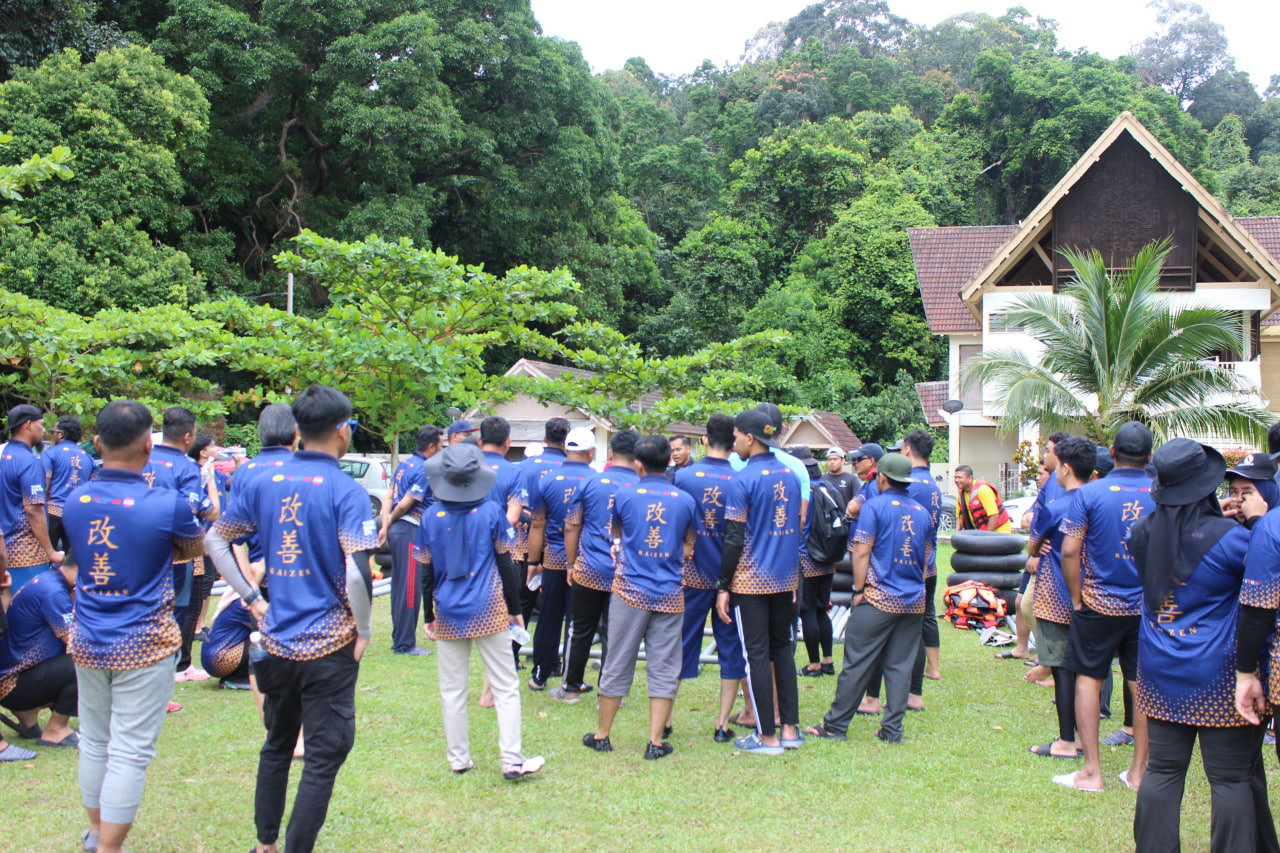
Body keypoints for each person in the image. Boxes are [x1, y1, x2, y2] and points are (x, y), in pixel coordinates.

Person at [204, 384, 377, 853]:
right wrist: (364, 630)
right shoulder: (347, 491)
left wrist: (249, 597)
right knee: (323, 755)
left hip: (276, 639)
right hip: (329, 645)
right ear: (343, 430)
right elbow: (357, 573)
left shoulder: (263, 481)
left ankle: (265, 844)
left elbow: (215, 540)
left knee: (278, 743)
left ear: (298, 430)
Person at [64, 400, 204, 853]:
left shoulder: (76, 501)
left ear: (97, 442)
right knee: (129, 751)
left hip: (88, 638)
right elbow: (192, 548)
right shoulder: (167, 504)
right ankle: (109, 847)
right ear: (149, 445)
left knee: (95, 741)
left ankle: (96, 832)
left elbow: (78, 562)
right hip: (144, 642)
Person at [1130, 440, 1277, 852]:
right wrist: (1257, 522)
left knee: (1162, 771)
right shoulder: (1233, 538)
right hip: (1220, 672)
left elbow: (1179, 548)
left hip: (1159, 666)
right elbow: (1262, 571)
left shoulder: (1141, 531)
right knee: (1230, 778)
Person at [416, 442, 544, 779]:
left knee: (452, 690)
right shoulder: (491, 513)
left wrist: (429, 616)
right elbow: (505, 564)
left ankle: (458, 759)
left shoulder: (429, 517)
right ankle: (511, 759)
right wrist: (515, 610)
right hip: (489, 608)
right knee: (506, 685)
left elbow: (425, 571)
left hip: (448, 611)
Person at [1053, 422, 1155, 793]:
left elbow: (1069, 551)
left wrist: (1076, 596)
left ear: (1112, 452)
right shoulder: (1161, 493)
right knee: (1141, 683)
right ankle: (1138, 773)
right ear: (1150, 456)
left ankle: (1092, 772)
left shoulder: (1090, 493)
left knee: (1089, 679)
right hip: (1147, 608)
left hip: (1098, 603)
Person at [804, 453, 933, 745]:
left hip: (878, 598)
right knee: (900, 665)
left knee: (857, 661)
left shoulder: (874, 507)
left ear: (882, 477)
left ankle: (835, 726)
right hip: (914, 601)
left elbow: (861, 551)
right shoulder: (922, 513)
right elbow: (926, 559)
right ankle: (891, 730)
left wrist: (859, 590)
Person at [583, 435, 696, 759]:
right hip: (669, 593)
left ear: (638, 464)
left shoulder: (623, 496)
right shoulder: (685, 501)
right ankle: (655, 742)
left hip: (629, 591)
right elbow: (689, 546)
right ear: (669, 461)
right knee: (665, 665)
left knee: (617, 660)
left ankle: (602, 735)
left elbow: (618, 535)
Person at [713, 409, 803, 756]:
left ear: (750, 438)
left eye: (736, 437)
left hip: (750, 582)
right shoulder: (790, 476)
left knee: (756, 655)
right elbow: (794, 530)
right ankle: (790, 729)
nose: (734, 443)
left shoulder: (742, 480)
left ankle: (766, 736)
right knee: (783, 650)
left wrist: (723, 586)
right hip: (785, 580)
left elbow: (734, 538)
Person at [670, 415, 746, 740]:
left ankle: (666, 719)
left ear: (704, 440)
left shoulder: (683, 477)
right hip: (731, 579)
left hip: (690, 577)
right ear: (734, 443)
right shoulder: (741, 481)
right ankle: (722, 723)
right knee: (731, 647)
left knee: (679, 645)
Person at [552, 429, 640, 705]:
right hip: (626, 573)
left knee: (579, 629)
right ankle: (610, 694)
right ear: (637, 455)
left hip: (589, 568)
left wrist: (570, 564)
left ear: (611, 453)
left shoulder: (591, 482)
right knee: (617, 635)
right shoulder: (641, 486)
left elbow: (571, 526)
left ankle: (570, 688)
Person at [1027, 436, 1094, 759]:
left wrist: (1038, 546)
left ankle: (1068, 740)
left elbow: (1032, 544)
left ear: (1065, 468)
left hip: (1056, 596)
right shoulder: (1099, 502)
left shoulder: (1055, 508)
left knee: (1062, 669)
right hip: (1095, 597)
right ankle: (1083, 735)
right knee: (1088, 671)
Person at [145, 407, 219, 683]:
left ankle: (150, 660)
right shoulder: (186, 468)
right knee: (181, 606)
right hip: (175, 550)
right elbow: (203, 511)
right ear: (188, 436)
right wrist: (211, 483)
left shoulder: (142, 458)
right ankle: (176, 665)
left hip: (139, 546)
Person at [524, 426, 595, 690]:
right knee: (578, 620)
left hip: (553, 555)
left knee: (548, 616)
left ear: (566, 448)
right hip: (584, 558)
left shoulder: (547, 480)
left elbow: (537, 525)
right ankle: (571, 678)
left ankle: (540, 674)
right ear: (591, 452)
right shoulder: (596, 480)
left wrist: (533, 562)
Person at [0, 560, 78, 747]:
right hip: (14, 686)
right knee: (84, 661)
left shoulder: (48, 580)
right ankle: (56, 730)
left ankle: (28, 719)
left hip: (13, 678)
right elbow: (76, 642)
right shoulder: (54, 592)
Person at [381, 425, 443, 656]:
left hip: (399, 530)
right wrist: (390, 521)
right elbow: (406, 503)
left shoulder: (405, 464)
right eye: (441, 445)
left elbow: (389, 495)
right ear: (431, 447)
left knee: (399, 587)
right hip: (409, 530)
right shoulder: (425, 468)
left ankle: (400, 639)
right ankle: (405, 644)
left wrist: (386, 524)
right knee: (409, 588)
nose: (442, 449)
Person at [514, 418, 570, 666]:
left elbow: (514, 505)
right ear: (566, 440)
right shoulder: (571, 468)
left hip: (528, 543)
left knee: (524, 601)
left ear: (545, 438)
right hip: (562, 546)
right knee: (555, 607)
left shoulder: (524, 467)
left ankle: (513, 654)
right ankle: (552, 661)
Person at [2, 405, 62, 593]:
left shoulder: (4, 455)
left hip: (4, 550)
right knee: (28, 606)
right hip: (26, 553)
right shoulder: (29, 462)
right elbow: (34, 510)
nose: (43, 430)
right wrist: (50, 552)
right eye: (41, 424)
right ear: (28, 425)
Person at [902, 429, 944, 696]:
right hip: (931, 561)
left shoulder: (909, 483)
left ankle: (909, 674)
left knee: (909, 621)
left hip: (911, 562)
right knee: (928, 614)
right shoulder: (932, 483)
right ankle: (934, 667)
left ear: (907, 449)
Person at [797, 451, 841, 679]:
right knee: (822, 610)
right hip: (828, 558)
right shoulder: (828, 487)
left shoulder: (804, 492)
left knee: (807, 612)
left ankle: (814, 664)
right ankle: (828, 661)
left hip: (806, 557)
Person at [42, 415, 95, 552]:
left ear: (61, 434)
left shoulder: (50, 454)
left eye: (53, 432)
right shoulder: (88, 458)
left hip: (53, 512)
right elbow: (92, 489)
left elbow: (45, 485)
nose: (53, 435)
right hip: (77, 513)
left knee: (47, 555)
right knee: (72, 558)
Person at [954, 465, 1011, 532]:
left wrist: (986, 536)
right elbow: (960, 518)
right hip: (981, 531)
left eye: (960, 477)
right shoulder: (960, 495)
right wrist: (956, 535)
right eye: (955, 478)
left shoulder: (983, 490)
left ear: (970, 478)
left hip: (999, 530)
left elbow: (994, 515)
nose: (956, 480)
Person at [844, 443, 884, 518]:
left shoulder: (876, 483)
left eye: (859, 459)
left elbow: (876, 514)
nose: (856, 463)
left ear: (871, 461)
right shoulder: (870, 481)